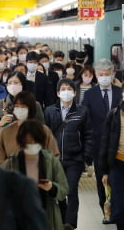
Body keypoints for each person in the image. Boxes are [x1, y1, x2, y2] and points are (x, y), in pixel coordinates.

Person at [44, 78, 93, 230]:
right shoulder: (50, 111)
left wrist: (86, 157)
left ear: (74, 92)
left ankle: (70, 224)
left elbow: (89, 135)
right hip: (55, 159)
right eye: (63, 89)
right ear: (58, 93)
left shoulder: (82, 111)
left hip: (75, 159)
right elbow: (45, 135)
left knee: (71, 191)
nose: (66, 92)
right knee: (59, 193)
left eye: (69, 89)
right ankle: (61, 221)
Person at [3, 119, 69, 230]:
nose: (31, 145)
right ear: (21, 142)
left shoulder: (51, 160)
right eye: (28, 142)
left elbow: (64, 190)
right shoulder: (11, 163)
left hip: (46, 217)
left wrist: (52, 187)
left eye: (34, 142)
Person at [82, 59, 122, 214]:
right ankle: (105, 208)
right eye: (101, 74)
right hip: (98, 144)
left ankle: (118, 207)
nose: (104, 77)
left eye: (107, 74)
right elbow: (86, 120)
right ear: (96, 76)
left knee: (117, 177)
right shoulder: (90, 94)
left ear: (113, 74)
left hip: (119, 144)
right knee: (101, 177)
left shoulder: (120, 93)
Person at [0, 91, 59, 165]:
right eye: (17, 106)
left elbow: (54, 155)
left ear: (31, 108)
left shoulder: (43, 131)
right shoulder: (6, 132)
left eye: (23, 107)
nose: (20, 109)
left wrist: (46, 170)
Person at [100, 87, 124, 230]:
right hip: (117, 164)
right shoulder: (114, 114)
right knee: (119, 206)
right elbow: (105, 143)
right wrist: (105, 171)